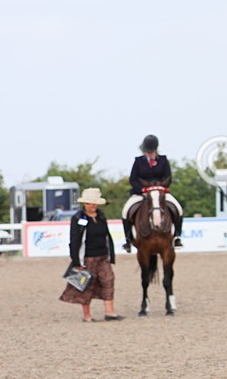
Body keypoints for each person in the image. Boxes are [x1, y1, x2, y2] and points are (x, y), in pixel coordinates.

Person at [60, 188, 124, 322]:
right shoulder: (78, 218)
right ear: (85, 204)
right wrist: (76, 261)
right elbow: (75, 240)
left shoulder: (101, 216)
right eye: (90, 203)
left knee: (108, 280)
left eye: (95, 203)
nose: (93, 206)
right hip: (87, 257)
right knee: (87, 285)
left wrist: (110, 254)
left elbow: (107, 236)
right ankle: (87, 315)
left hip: (102, 256)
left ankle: (109, 312)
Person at [122, 134, 184, 250]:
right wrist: (142, 189)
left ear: (156, 150)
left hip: (160, 192)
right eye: (147, 152)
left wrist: (161, 187)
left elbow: (168, 177)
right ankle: (128, 239)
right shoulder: (138, 161)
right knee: (125, 211)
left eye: (151, 151)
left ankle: (177, 237)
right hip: (142, 193)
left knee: (178, 209)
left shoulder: (164, 160)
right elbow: (133, 179)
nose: (149, 154)